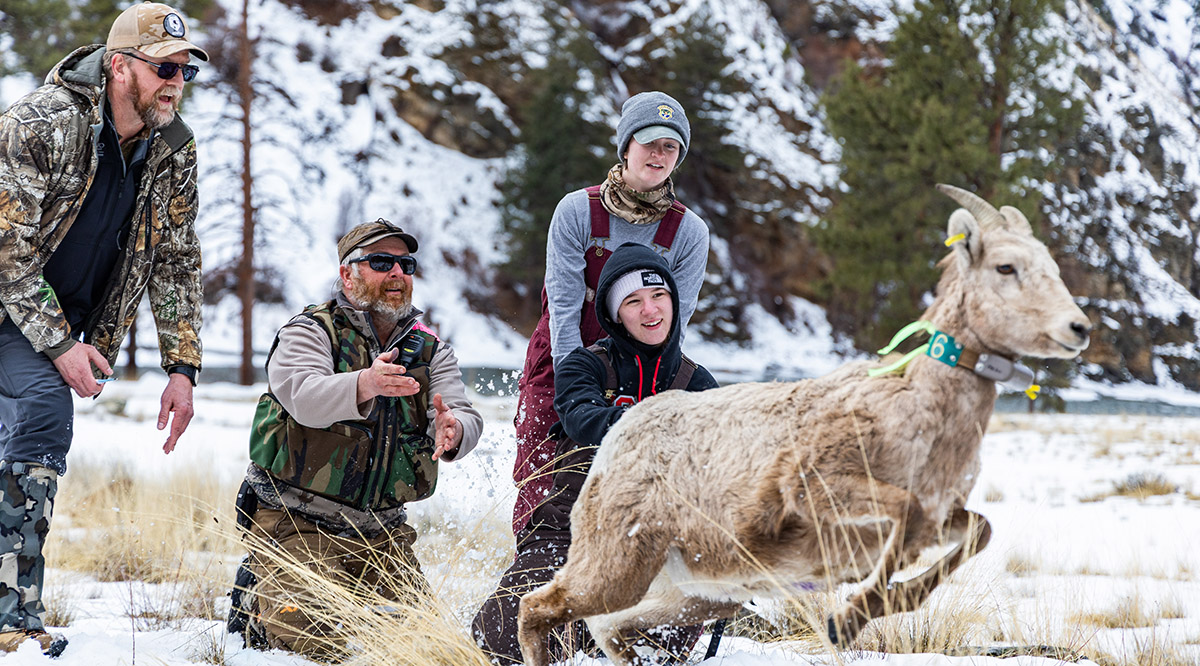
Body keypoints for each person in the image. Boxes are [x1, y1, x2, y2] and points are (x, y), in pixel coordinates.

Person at [0, 2, 208, 655]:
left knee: (31, 428)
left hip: (57, 319)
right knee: (41, 414)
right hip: (13, 301)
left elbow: (176, 259)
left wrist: (182, 368)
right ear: (120, 66)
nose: (176, 82)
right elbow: (7, 250)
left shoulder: (172, 147)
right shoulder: (39, 125)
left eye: (186, 71)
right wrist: (61, 345)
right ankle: (14, 619)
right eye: (163, 68)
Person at [233, 219, 483, 658]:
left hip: (382, 536)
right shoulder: (310, 331)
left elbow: (460, 408)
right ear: (348, 275)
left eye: (406, 263)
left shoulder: (430, 350)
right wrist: (364, 384)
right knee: (315, 644)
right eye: (381, 262)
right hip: (296, 524)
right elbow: (302, 396)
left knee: (425, 648)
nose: (397, 273)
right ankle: (255, 596)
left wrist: (455, 428)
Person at [474, 242, 719, 664]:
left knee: (656, 648)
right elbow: (581, 419)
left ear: (674, 301)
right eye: (633, 301)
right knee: (501, 637)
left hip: (661, 549)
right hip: (566, 534)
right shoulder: (583, 366)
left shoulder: (696, 381)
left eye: (659, 295)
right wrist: (658, 423)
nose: (650, 310)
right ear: (614, 314)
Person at [511, 90, 710, 534]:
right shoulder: (577, 212)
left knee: (630, 500)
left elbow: (674, 320)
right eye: (650, 143)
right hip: (559, 363)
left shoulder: (690, 232)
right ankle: (530, 579)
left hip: (638, 372)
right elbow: (563, 306)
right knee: (542, 491)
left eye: (670, 147)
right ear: (626, 146)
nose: (658, 155)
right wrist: (571, 389)